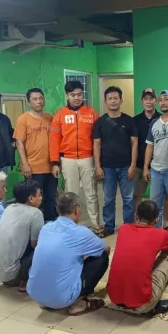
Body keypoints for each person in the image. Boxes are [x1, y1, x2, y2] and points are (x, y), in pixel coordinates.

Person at [27, 192, 110, 315]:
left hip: (35, 294)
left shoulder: (46, 228)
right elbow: (105, 249)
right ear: (76, 210)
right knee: (102, 258)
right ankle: (78, 302)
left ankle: (47, 297)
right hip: (62, 299)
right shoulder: (81, 232)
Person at [107, 200, 168, 316]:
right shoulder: (162, 234)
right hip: (141, 303)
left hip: (114, 298)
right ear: (156, 220)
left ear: (136, 216)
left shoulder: (123, 229)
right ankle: (152, 305)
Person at [50, 80, 101, 233]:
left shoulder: (92, 113)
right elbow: (54, 139)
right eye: (73, 95)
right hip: (68, 159)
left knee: (91, 193)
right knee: (70, 195)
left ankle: (95, 223)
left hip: (87, 158)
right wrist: (54, 162)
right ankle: (70, 225)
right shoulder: (60, 114)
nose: (77, 98)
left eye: (79, 94)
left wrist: (99, 161)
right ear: (67, 95)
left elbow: (98, 139)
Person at [93, 86, 138, 238]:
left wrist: (133, 165)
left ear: (121, 100)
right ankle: (109, 226)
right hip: (107, 168)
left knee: (128, 199)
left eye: (116, 98)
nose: (113, 101)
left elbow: (134, 143)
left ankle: (128, 226)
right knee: (108, 199)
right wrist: (98, 166)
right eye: (110, 99)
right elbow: (96, 144)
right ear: (105, 101)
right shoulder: (100, 122)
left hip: (126, 167)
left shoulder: (129, 121)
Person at [0, 179, 44, 290]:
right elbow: (35, 245)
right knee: (45, 247)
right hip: (11, 275)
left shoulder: (9, 208)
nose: (41, 198)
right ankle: (25, 280)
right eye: (39, 195)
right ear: (31, 198)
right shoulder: (36, 213)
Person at [143, 90, 168, 242]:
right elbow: (149, 146)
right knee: (154, 205)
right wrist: (146, 167)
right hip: (156, 170)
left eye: (167, 99)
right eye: (160, 100)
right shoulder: (155, 122)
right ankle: (156, 233)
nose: (163, 102)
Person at [14, 88, 56, 221]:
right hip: (32, 168)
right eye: (35, 99)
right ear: (29, 102)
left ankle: (50, 224)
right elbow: (19, 142)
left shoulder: (50, 118)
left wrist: (56, 163)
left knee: (50, 198)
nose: (39, 101)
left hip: (50, 167)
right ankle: (34, 225)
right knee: (34, 200)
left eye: (41, 98)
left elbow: (56, 140)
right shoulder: (23, 119)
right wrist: (25, 164)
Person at [133, 88, 168, 228]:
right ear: (142, 101)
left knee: (164, 196)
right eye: (146, 99)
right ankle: (139, 221)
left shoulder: (163, 119)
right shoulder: (135, 120)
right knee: (137, 195)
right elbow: (133, 143)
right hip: (139, 165)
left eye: (151, 99)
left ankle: (166, 222)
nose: (148, 102)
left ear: (156, 101)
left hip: (160, 165)